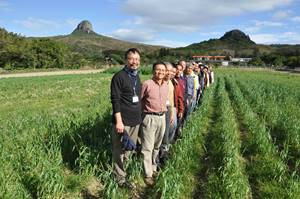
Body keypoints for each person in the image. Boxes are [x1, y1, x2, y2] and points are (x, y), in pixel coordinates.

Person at [110, 48, 142, 189]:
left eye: (137, 59)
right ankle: (119, 179)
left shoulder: (136, 76)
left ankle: (125, 173)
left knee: (129, 149)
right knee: (119, 151)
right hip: (123, 122)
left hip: (135, 120)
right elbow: (115, 100)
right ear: (126, 60)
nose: (134, 62)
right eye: (131, 59)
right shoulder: (119, 76)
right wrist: (119, 121)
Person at [140, 62, 168, 186]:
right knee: (147, 148)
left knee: (157, 146)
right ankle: (148, 174)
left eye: (163, 70)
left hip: (162, 117)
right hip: (149, 118)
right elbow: (139, 101)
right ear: (153, 71)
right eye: (158, 70)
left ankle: (154, 167)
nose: (160, 72)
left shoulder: (166, 84)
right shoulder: (147, 84)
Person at [159, 62, 175, 165]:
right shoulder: (159, 83)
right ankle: (159, 158)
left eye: (170, 70)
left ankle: (163, 154)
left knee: (167, 132)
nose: (168, 73)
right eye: (167, 70)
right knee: (161, 135)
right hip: (160, 111)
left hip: (168, 110)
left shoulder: (170, 83)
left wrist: (172, 112)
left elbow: (171, 99)